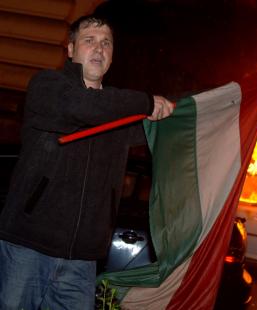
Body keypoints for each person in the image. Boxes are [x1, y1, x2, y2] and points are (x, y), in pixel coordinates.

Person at [0, 14, 174, 310]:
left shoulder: (121, 112)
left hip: (82, 260)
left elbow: (169, 122)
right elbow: (82, 107)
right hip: (28, 247)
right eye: (89, 41)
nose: (99, 48)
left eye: (106, 43)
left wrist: (230, 99)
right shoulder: (47, 86)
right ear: (70, 49)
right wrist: (146, 101)